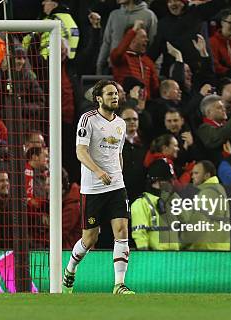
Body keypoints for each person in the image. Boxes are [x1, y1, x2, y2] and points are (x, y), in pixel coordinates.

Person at [62, 79, 134, 294]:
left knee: (121, 230)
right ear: (98, 98)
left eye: (116, 94)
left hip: (116, 186)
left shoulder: (121, 124)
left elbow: (118, 154)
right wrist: (98, 171)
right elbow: (80, 152)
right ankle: (70, 270)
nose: (115, 97)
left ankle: (119, 284)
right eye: (110, 94)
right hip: (93, 188)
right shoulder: (88, 120)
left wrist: (117, 174)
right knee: (89, 239)